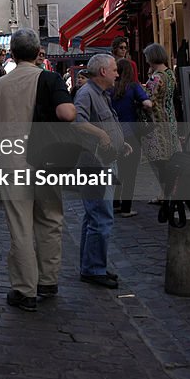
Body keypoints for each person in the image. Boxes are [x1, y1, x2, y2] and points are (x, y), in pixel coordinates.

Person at [0, 28, 76, 312]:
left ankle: (24, 289)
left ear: (12, 54)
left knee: (20, 226)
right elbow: (67, 113)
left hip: (10, 163)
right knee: (50, 219)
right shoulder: (49, 79)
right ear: (39, 52)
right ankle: (48, 280)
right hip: (45, 161)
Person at [73, 54, 130, 289]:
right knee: (101, 217)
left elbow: (108, 122)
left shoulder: (101, 94)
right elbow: (77, 121)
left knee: (94, 217)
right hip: (94, 164)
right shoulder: (87, 93)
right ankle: (94, 269)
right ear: (104, 72)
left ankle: (91, 266)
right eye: (115, 69)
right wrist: (102, 135)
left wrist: (119, 142)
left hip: (103, 161)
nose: (118, 74)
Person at [110, 59, 152, 217]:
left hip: (114, 133)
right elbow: (148, 104)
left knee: (118, 169)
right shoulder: (133, 87)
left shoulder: (110, 88)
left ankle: (115, 203)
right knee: (131, 172)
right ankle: (127, 207)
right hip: (132, 133)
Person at [141, 43, 181, 195]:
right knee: (171, 159)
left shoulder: (156, 78)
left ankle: (165, 194)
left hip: (157, 124)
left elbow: (148, 101)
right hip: (170, 121)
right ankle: (170, 192)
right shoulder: (170, 74)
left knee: (160, 162)